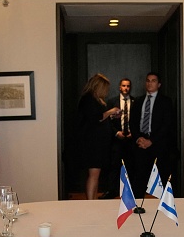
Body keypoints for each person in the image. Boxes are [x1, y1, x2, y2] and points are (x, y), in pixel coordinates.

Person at [129, 72, 175, 207]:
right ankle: (138, 206)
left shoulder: (166, 101)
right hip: (140, 143)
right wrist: (138, 138)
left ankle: (166, 206)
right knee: (139, 176)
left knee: (162, 176)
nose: (150, 83)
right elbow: (133, 122)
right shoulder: (137, 101)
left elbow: (166, 124)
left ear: (159, 84)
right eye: (148, 80)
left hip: (158, 144)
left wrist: (151, 140)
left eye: (153, 81)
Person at [75, 73, 121, 200]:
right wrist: (111, 111)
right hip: (92, 143)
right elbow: (96, 117)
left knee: (96, 174)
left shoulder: (96, 99)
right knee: (93, 174)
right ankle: (91, 201)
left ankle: (93, 199)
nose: (106, 91)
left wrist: (110, 116)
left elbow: (100, 117)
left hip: (99, 143)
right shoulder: (88, 99)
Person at [101, 78, 135, 199]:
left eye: (128, 86)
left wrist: (134, 133)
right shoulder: (111, 102)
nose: (126, 88)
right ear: (119, 87)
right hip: (116, 138)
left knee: (131, 165)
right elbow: (106, 122)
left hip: (131, 139)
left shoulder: (136, 101)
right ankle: (112, 190)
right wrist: (116, 133)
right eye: (123, 86)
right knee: (114, 165)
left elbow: (138, 120)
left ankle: (131, 191)